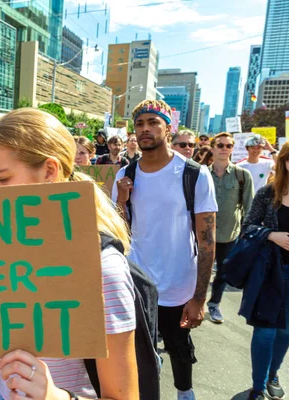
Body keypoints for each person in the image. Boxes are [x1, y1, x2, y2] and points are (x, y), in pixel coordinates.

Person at [0, 108, 139, 400]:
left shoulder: (102, 268)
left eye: (2, 179)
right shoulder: (2, 249)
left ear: (49, 172)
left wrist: (53, 396)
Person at [113, 100, 217, 400]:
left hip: (177, 283)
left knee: (179, 347)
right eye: (140, 124)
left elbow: (206, 240)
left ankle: (185, 392)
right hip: (136, 283)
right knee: (139, 353)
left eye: (153, 123)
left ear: (167, 129)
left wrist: (199, 297)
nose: (145, 129)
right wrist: (121, 200)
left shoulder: (194, 174)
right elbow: (119, 232)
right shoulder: (124, 176)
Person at [243, 138, 289, 400]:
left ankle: (274, 372)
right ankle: (259, 384)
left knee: (287, 329)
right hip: (269, 270)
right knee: (265, 329)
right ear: (283, 160)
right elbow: (247, 227)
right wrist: (272, 235)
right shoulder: (268, 192)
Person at [207, 133, 254, 324]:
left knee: (223, 272)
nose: (224, 148)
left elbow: (249, 207)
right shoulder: (201, 173)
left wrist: (245, 233)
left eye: (228, 145)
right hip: (202, 234)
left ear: (233, 148)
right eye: (220, 145)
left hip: (229, 234)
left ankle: (214, 304)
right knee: (194, 271)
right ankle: (191, 303)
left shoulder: (242, 175)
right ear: (212, 148)